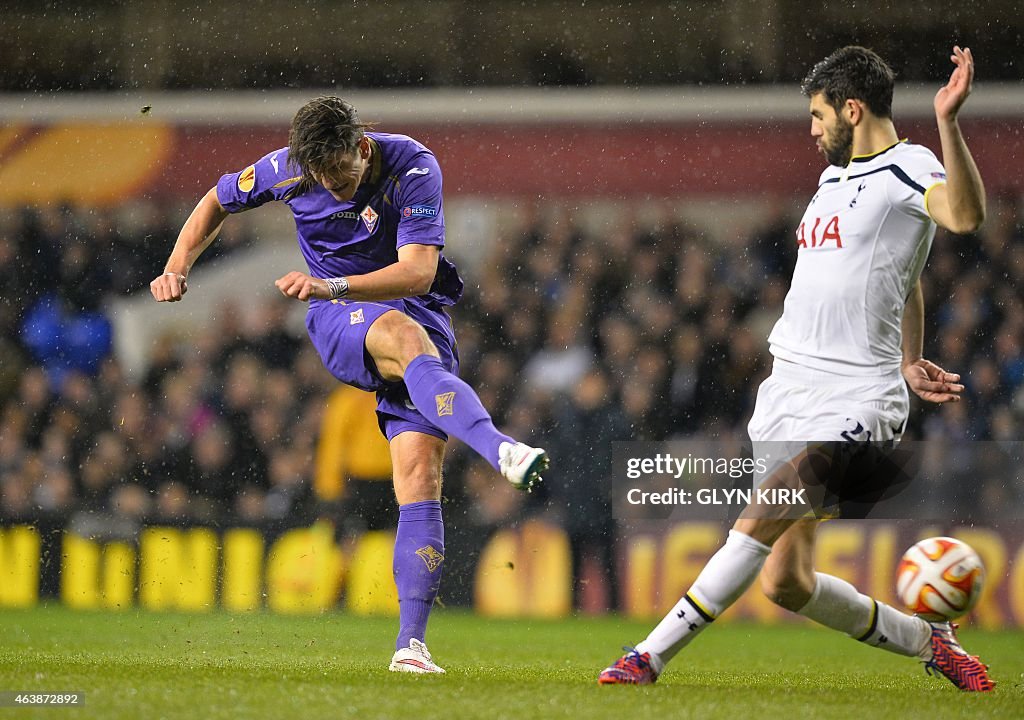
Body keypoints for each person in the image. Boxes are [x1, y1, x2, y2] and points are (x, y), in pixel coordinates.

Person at [599, 46, 994, 691]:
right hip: (789, 389)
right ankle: (931, 641)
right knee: (787, 582)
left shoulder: (909, 165)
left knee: (760, 511)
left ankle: (649, 655)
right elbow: (907, 276)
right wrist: (910, 355)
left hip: (858, 399)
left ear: (852, 108)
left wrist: (949, 123)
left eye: (817, 114)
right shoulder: (832, 181)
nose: (811, 129)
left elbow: (964, 217)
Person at [150, 96, 549, 674]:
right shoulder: (284, 168)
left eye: (341, 175)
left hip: (400, 302)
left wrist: (329, 285)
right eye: (321, 179)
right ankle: (500, 449)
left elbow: (418, 271)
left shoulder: (412, 166)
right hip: (339, 313)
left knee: (420, 474)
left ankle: (410, 647)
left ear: (362, 147)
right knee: (404, 338)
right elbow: (217, 199)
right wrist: (178, 263)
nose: (334, 189)